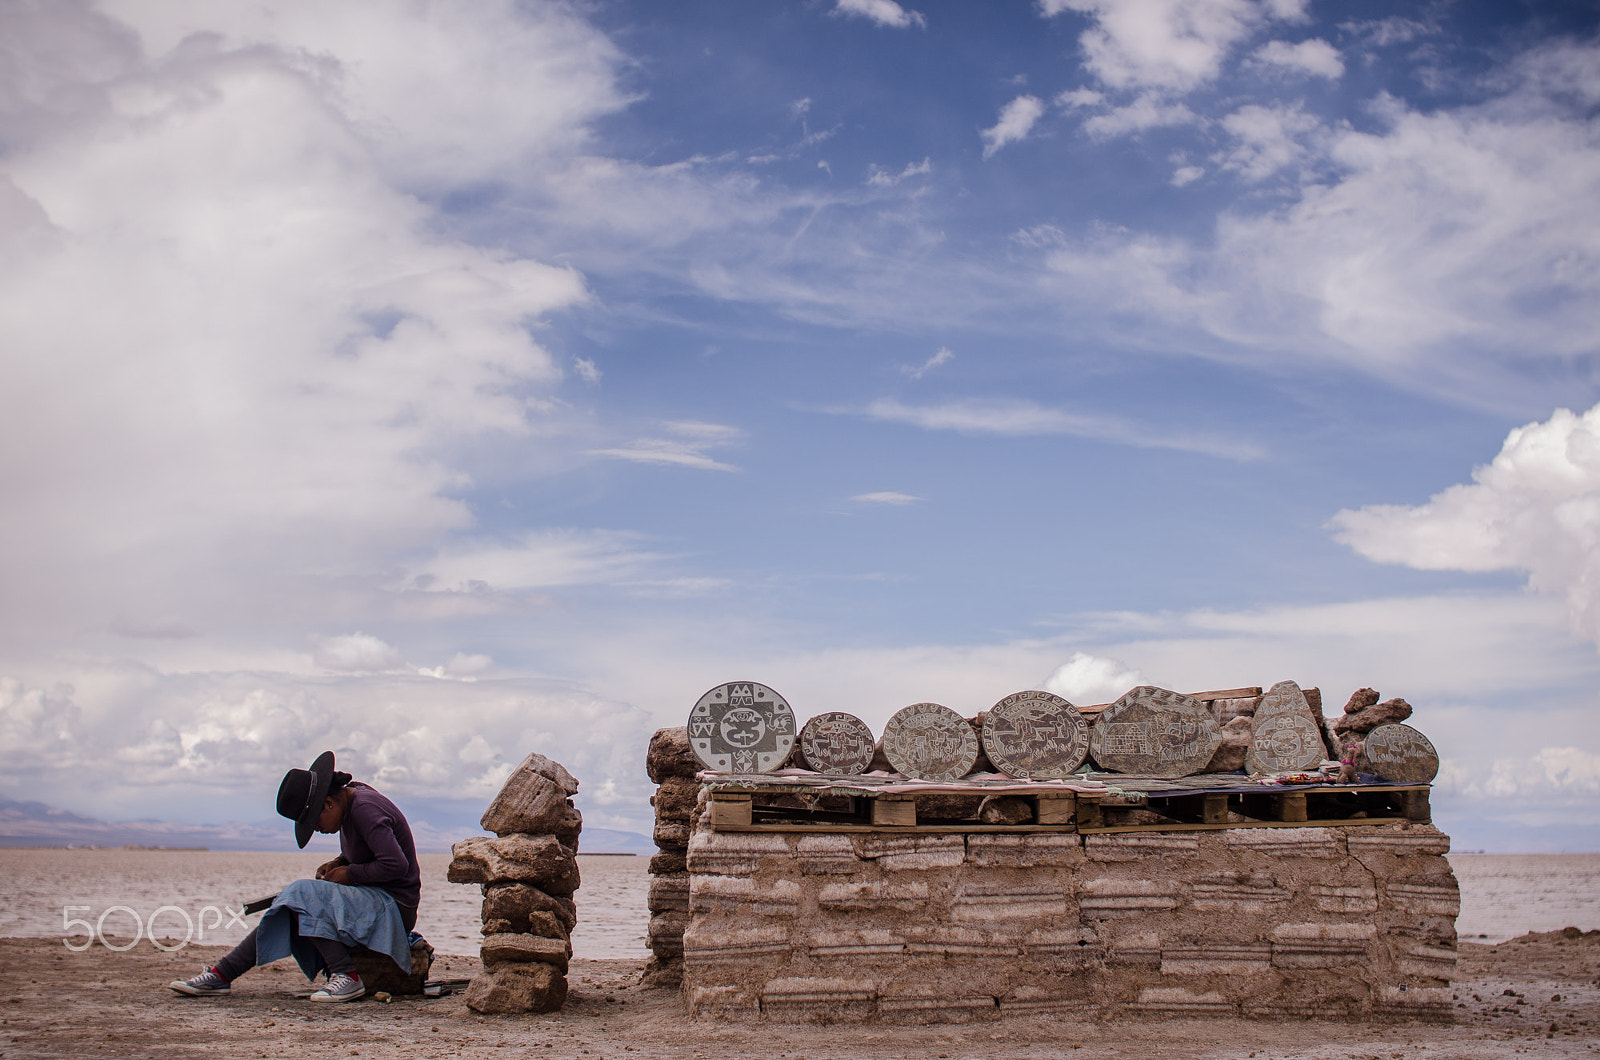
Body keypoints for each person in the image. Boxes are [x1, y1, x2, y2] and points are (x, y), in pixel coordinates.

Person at [170, 751, 422, 1003]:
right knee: (293, 905)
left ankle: (347, 976)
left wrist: (349, 873)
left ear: (329, 804)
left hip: (395, 908)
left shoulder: (365, 808)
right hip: (377, 900)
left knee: (301, 894)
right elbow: (368, 851)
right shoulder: (351, 804)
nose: (317, 830)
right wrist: (339, 862)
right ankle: (221, 974)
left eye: (314, 822)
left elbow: (396, 865)